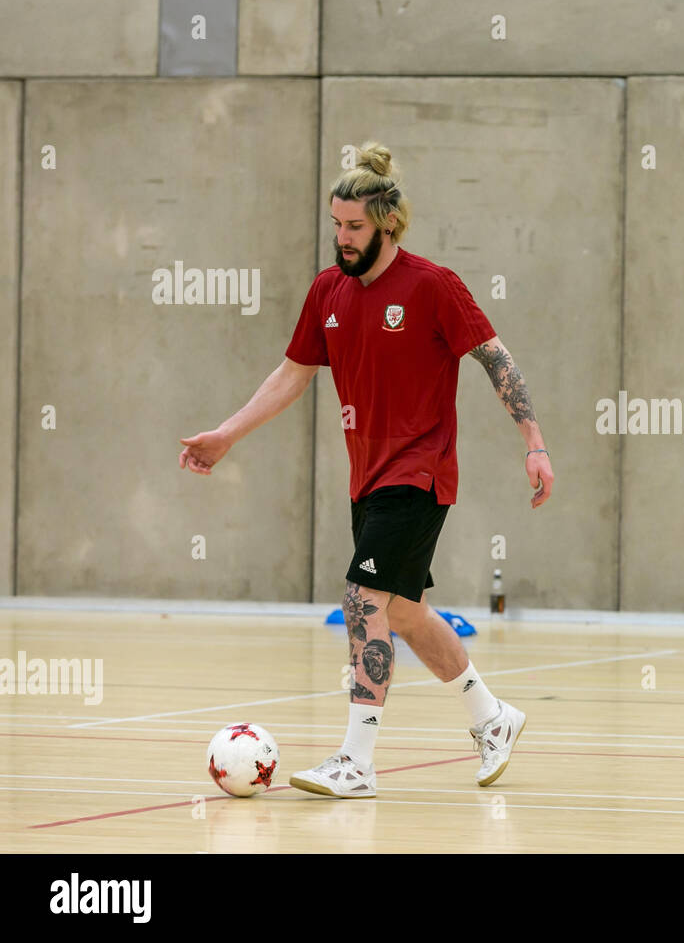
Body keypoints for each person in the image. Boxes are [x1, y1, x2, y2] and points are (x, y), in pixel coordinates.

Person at [178, 141, 554, 797]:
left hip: (421, 473)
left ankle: (357, 760)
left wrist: (535, 442)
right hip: (368, 479)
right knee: (405, 613)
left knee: (361, 600)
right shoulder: (328, 292)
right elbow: (292, 373)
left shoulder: (433, 286)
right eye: (336, 225)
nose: (342, 238)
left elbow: (497, 358)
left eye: (354, 227)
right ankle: (492, 717)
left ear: (387, 224)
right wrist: (227, 435)